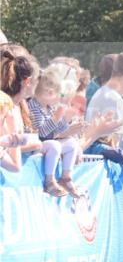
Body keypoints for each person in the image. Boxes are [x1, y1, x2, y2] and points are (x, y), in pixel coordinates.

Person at [27, 64, 88, 197]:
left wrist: (65, 119)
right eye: (59, 94)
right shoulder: (33, 106)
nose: (60, 98)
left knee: (72, 144)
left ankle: (66, 178)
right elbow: (42, 133)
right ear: (50, 93)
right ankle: (49, 181)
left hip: (47, 143)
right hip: (38, 145)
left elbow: (57, 131)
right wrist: (56, 117)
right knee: (54, 145)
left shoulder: (49, 108)